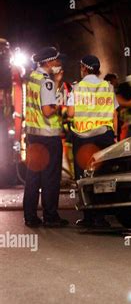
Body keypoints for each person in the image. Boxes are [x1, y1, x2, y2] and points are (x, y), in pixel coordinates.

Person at [66, 55, 119, 228]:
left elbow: (70, 114)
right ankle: (101, 216)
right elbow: (114, 113)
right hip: (104, 136)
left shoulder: (77, 88)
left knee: (83, 177)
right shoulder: (108, 87)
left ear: (84, 68)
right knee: (102, 175)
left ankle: (88, 216)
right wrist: (115, 136)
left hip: (83, 138)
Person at [23, 46, 68, 228]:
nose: (59, 64)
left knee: (33, 176)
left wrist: (56, 82)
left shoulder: (32, 78)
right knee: (50, 177)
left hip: (33, 135)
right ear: (49, 62)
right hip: (48, 137)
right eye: (57, 60)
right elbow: (48, 111)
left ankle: (30, 216)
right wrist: (59, 99)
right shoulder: (46, 82)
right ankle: (50, 216)